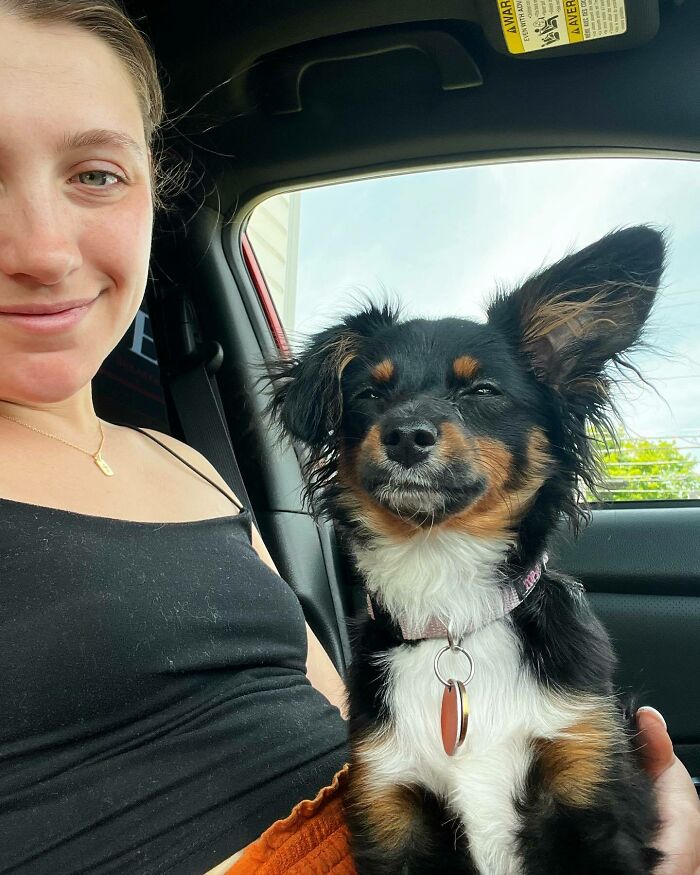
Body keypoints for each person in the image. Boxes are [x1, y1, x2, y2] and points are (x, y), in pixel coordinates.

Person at [0, 3, 696, 874]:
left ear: (151, 190)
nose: (43, 249)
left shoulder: (187, 463)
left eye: (97, 173)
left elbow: (336, 711)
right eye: (378, 397)